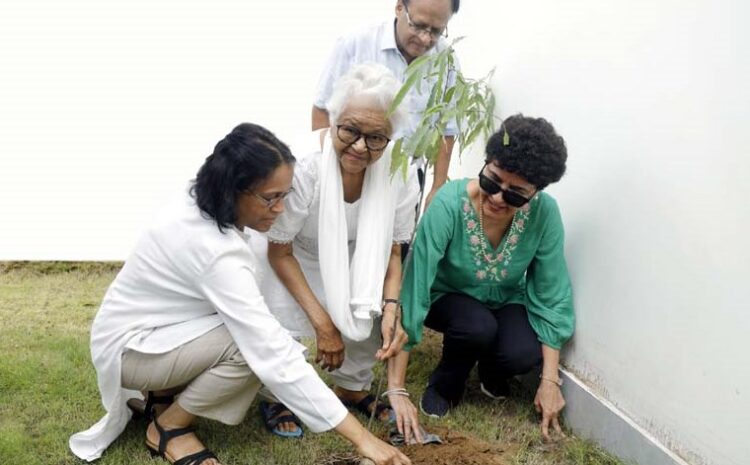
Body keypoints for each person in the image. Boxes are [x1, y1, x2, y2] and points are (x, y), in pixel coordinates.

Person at [68, 123, 410, 465]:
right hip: (131, 351)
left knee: (252, 334)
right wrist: (363, 440)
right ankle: (168, 428)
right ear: (233, 190)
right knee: (250, 349)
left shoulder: (201, 200)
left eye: (285, 194)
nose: (280, 208)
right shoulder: (213, 250)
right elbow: (271, 351)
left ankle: (162, 395)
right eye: (270, 197)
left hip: (149, 331)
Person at [388, 115, 574, 443]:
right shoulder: (449, 203)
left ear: (536, 193)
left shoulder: (545, 214)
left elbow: (551, 292)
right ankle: (446, 385)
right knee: (477, 327)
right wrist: (396, 387)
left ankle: (491, 370)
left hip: (505, 297)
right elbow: (415, 287)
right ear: (486, 163)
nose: (499, 198)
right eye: (492, 181)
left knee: (522, 353)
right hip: (445, 296)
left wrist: (550, 381)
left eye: (516, 195)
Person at [258, 63, 419, 438]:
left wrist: (392, 307)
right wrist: (324, 324)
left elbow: (392, 251)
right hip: (292, 255)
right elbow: (278, 251)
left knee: (368, 310)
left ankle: (352, 386)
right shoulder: (303, 166)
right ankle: (277, 397)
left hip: (361, 257)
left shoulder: (399, 169)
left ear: (391, 137)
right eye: (350, 130)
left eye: (377, 138)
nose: (361, 147)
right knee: (285, 325)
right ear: (332, 121)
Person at [312, 0, 461, 208]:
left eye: (436, 31)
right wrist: (325, 167)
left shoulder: (446, 60)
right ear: (400, 7)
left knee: (397, 239)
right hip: (351, 167)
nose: (425, 38)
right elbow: (322, 107)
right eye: (418, 26)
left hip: (405, 179)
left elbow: (447, 129)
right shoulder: (357, 42)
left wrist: (437, 187)